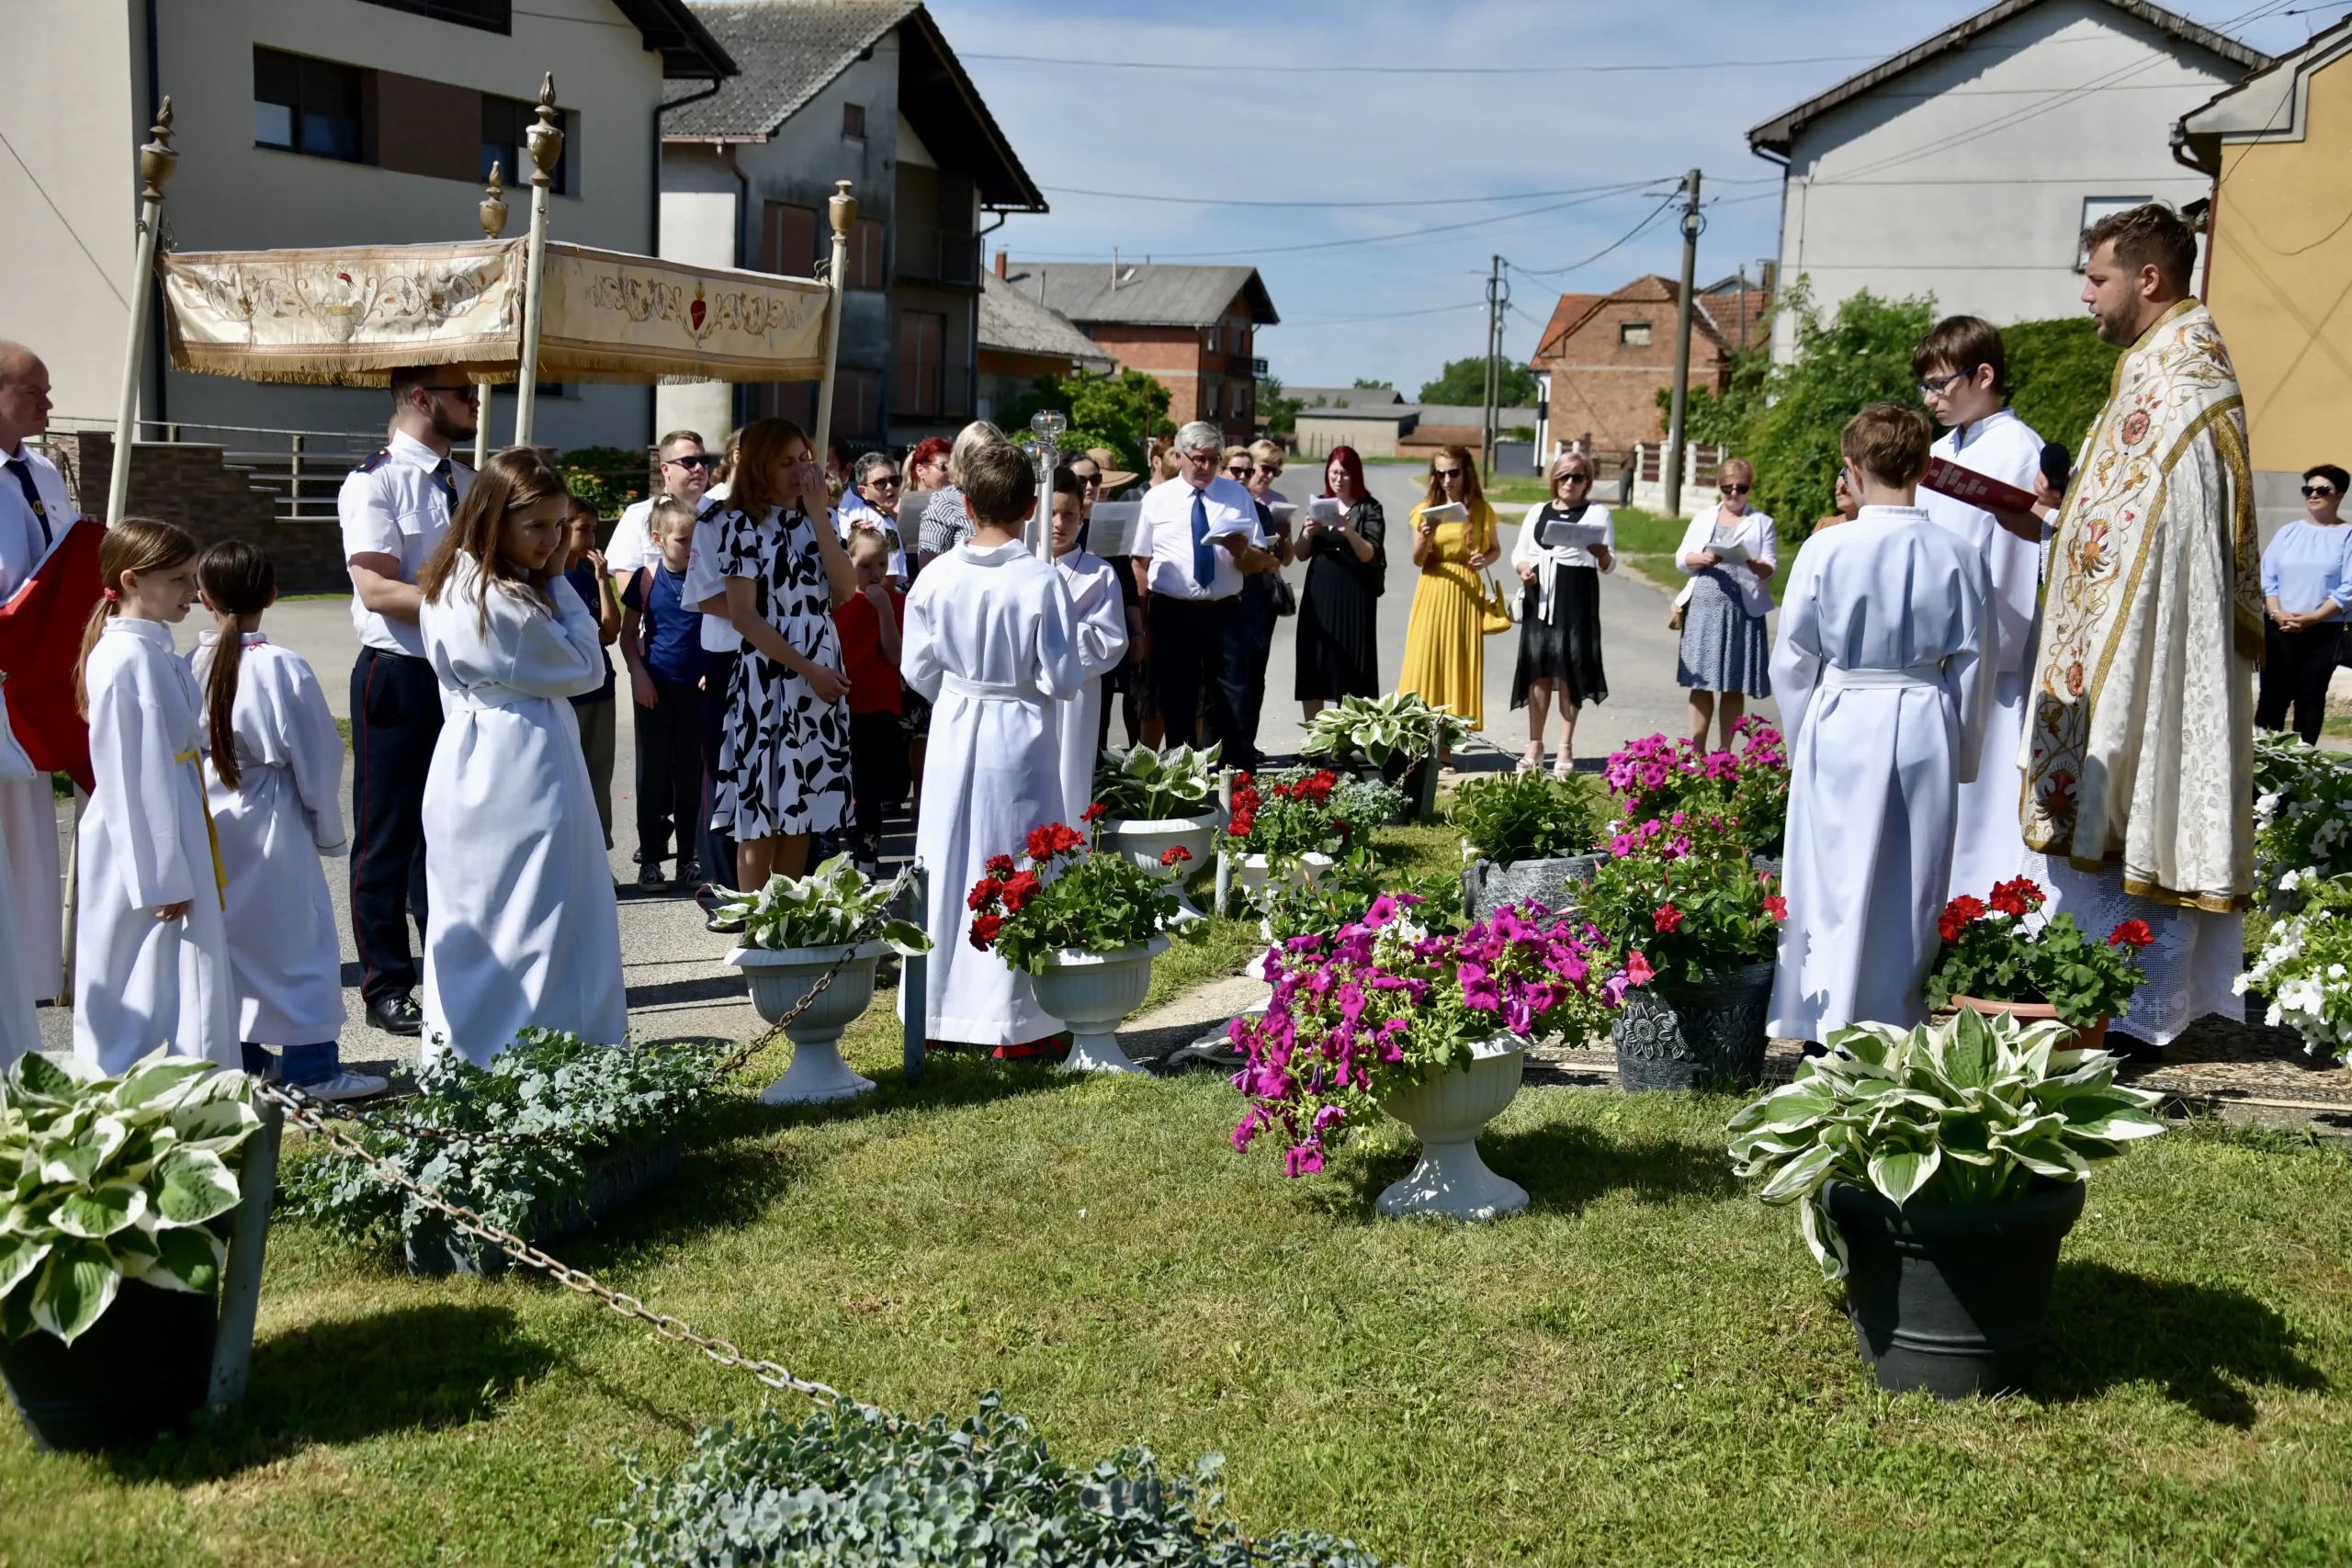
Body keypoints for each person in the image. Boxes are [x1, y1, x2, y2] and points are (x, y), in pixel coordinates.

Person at [2005, 202, 2260, 1055]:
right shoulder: (2153, 365)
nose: (2085, 296)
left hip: (2145, 653)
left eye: (2097, 277)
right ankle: (2104, 1007)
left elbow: (2174, 541)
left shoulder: (2182, 378)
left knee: (2135, 814)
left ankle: (2130, 1016)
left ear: (2148, 278)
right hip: (2109, 647)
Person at [1767, 404, 1993, 1043]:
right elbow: (1974, 662)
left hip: (1841, 713)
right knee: (1913, 877)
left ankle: (1822, 1016)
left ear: (1852, 468)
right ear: (1926, 466)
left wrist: (1801, 736)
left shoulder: (1826, 546)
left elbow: (1793, 657)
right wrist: (1963, 750)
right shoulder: (1959, 553)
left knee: (1830, 870)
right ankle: (1897, 1015)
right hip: (1923, 715)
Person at [415, 448, 624, 1066]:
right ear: (492, 518)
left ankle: (480, 1056)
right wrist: (559, 578)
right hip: (517, 767)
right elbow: (586, 667)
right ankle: (535, 1061)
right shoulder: (495, 596)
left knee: (496, 914)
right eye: (535, 525)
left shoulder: (458, 578)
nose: (551, 540)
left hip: (482, 756)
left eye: (559, 525)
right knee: (533, 922)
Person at [900, 435, 1084, 1051]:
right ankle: (1016, 1019)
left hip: (954, 723)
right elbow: (1061, 677)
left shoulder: (935, 576)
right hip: (1017, 729)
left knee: (950, 858)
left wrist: (958, 689)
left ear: (967, 503)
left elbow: (916, 669)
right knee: (1013, 859)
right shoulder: (1040, 579)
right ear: (1032, 507)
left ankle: (937, 1011)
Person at [192, 540, 380, 1100]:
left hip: (211, 816)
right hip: (270, 819)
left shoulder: (187, 664)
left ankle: (244, 1060)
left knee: (232, 946)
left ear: (202, 599)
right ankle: (313, 1068)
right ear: (272, 595)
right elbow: (318, 754)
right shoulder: (280, 667)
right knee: (298, 945)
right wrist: (326, 827)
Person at [72, 518, 237, 1072]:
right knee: (140, 967)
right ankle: (132, 1081)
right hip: (141, 836)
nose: (193, 591)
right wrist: (161, 870)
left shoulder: (155, 648)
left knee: (179, 967)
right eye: (179, 579)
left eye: (192, 578)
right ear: (133, 580)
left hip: (174, 812)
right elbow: (126, 772)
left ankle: (194, 1072)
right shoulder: (123, 659)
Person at [341, 365, 477, 1036]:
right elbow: (376, 588)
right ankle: (386, 983)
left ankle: (448, 969)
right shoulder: (378, 479)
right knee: (387, 835)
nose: (476, 403)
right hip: (399, 671)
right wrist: (470, 598)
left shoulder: (469, 482)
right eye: (463, 394)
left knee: (450, 831)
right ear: (422, 399)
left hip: (458, 671)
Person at [1913, 316, 2047, 901]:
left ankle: (1988, 910)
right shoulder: (1940, 451)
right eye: (1925, 386)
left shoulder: (2019, 450)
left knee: (1987, 796)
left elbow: (2017, 562)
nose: (1930, 398)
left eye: (1941, 384)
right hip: (1934, 651)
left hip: (1992, 659)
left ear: (1984, 374)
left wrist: (1996, 652)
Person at [712, 417, 856, 892]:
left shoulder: (824, 519)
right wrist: (809, 669)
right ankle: (756, 925)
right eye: (786, 461)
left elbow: (846, 589)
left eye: (804, 459)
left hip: (818, 666)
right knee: (762, 812)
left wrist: (817, 515)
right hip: (771, 673)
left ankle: (787, 923)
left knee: (803, 809)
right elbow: (744, 617)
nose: (800, 470)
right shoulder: (738, 525)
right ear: (760, 466)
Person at [0, 341, 85, 1009]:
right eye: (35, 393)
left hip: (48, 672)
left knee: (33, 832)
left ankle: (33, 976)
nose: (48, 405)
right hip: (3, 673)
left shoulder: (47, 474)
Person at [1131, 421, 1275, 770]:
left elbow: (1259, 562)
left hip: (1224, 611)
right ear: (1179, 457)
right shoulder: (1157, 499)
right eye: (1198, 459)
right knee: (1177, 703)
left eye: (1213, 459)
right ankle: (1184, 787)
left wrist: (1242, 551)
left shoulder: (1237, 496)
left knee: (1234, 700)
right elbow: (1140, 563)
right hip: (1173, 612)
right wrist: (1143, 625)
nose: (1206, 467)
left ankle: (1239, 789)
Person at [619, 497, 707, 890]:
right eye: (683, 541)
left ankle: (688, 857)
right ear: (658, 539)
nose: (691, 549)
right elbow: (627, 637)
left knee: (689, 776)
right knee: (652, 777)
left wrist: (710, 669)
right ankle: (650, 859)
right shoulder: (645, 578)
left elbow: (723, 629)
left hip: (695, 690)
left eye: (696, 540)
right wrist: (638, 673)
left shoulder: (706, 575)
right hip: (655, 689)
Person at [1510, 449, 1614, 774]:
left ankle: (1565, 748)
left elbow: (1610, 565)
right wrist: (1524, 568)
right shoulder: (1537, 511)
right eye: (1564, 476)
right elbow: (1520, 551)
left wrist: (1601, 555)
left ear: (1587, 481)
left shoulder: (1599, 514)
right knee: (1539, 671)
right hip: (1539, 594)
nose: (1570, 482)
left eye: (1578, 477)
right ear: (1555, 480)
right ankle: (1535, 745)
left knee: (1570, 671)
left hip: (1576, 598)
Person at [1398, 445, 1500, 762]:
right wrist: (1426, 535)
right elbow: (1417, 560)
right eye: (1439, 473)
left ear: (1466, 472)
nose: (1446, 479)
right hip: (1433, 587)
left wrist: (1484, 559)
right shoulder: (1424, 509)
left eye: (1452, 472)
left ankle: (1445, 750)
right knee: (1425, 661)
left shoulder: (1481, 510)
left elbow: (1495, 549)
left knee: (1456, 664)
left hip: (1466, 591)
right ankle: (1418, 745)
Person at [1673, 457, 1778, 751]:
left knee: (1734, 682)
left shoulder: (1762, 523)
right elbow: (1681, 558)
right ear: (1718, 487)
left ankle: (1724, 753)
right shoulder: (1704, 518)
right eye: (1727, 487)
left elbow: (1771, 568)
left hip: (1742, 609)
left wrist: (1755, 564)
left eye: (1741, 488)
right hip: (1704, 607)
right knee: (1701, 680)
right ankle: (1697, 751)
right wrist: (1701, 558)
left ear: (1750, 488)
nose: (1734, 494)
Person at [683, 429, 744, 919]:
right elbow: (702, 594)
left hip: (786, 657)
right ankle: (722, 885)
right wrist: (767, 613)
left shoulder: (804, 513)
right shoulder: (715, 515)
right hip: (731, 655)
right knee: (723, 769)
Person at [1049, 466, 1130, 820]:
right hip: (1025, 692)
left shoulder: (1098, 573)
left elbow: (1110, 640)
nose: (1059, 522)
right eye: (1051, 512)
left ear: (1082, 515)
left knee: (1070, 776)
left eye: (1069, 513)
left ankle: (1069, 855)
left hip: (1075, 692)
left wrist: (1054, 638)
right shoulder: (1019, 565)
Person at [2256, 463, 2352, 744]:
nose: (2313, 494)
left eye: (2322, 490)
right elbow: (2267, 579)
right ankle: (2262, 768)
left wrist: (2315, 617)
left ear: (2340, 495)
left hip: (2323, 632)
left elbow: (2348, 588)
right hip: (2278, 630)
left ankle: (2300, 770)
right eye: (2307, 489)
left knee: (2309, 701)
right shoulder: (2287, 532)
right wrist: (2276, 613)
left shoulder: (2347, 537)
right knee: (2272, 698)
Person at [1295, 445, 1385, 719]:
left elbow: (1370, 553)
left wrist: (1348, 531)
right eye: (1333, 472)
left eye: (1344, 473)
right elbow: (1299, 555)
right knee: (1314, 661)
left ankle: (1342, 742)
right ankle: (1315, 739)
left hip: (1354, 593)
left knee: (1349, 666)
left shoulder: (1368, 507)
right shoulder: (1319, 503)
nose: (1338, 478)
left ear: (1355, 474)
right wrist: (1308, 533)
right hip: (1319, 592)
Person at [835, 526, 906, 874]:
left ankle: (867, 856)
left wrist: (885, 613)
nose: (876, 573)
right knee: (838, 781)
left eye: (882, 563)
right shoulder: (837, 600)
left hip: (878, 705)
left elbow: (895, 655)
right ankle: (833, 851)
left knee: (870, 786)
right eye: (866, 565)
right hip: (841, 703)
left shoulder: (893, 602)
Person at [561, 495, 622, 851]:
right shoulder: (552, 577)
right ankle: (572, 856)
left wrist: (602, 580)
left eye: (595, 530)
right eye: (583, 529)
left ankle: (598, 853)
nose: (591, 538)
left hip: (600, 687)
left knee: (598, 775)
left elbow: (610, 631)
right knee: (569, 778)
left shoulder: (587, 574)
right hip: (568, 693)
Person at [1235, 439, 1294, 760]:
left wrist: (1283, 535)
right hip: (1235, 592)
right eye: (1264, 467)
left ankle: (1249, 742)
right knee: (1233, 673)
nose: (1268, 475)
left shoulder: (1277, 503)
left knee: (1256, 673)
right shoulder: (1236, 497)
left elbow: (1288, 559)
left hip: (1262, 594)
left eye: (1275, 470)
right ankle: (1230, 742)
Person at [605, 429, 717, 588]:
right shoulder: (639, 516)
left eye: (703, 460)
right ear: (665, 469)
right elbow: (625, 579)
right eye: (689, 462)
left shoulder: (724, 514)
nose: (699, 468)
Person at [915, 422, 1003, 570]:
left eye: (996, 459)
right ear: (964, 460)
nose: (990, 466)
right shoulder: (945, 502)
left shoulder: (1006, 498)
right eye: (983, 459)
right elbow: (929, 567)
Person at [837, 451, 910, 582]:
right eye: (880, 483)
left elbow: (889, 578)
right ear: (863, 491)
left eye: (894, 480)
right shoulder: (835, 510)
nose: (889, 487)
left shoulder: (886, 524)